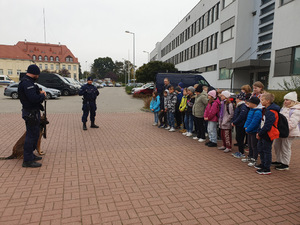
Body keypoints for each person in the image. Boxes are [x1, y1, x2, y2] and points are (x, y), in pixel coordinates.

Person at [18, 64, 46, 168]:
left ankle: (31, 155)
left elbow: (33, 94)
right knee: (30, 136)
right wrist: (42, 95)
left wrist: (39, 92)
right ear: (34, 73)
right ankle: (27, 160)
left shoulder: (30, 82)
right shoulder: (27, 83)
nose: (38, 76)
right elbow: (33, 98)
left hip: (33, 112)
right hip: (30, 113)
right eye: (37, 74)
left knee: (34, 135)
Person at [273, 91, 300, 170]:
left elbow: (293, 123)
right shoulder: (283, 108)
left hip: (289, 132)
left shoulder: (296, 110)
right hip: (280, 131)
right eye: (285, 100)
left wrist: (283, 128)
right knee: (277, 146)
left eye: (287, 100)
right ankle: (279, 160)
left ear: (292, 101)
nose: (285, 101)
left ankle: (285, 164)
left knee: (285, 147)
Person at [255, 92, 280, 175]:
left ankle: (266, 168)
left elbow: (267, 125)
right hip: (263, 132)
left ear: (268, 101)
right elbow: (262, 122)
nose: (261, 101)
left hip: (268, 133)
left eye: (262, 100)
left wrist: (260, 133)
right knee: (261, 149)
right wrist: (259, 132)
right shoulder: (265, 109)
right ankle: (263, 164)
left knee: (266, 150)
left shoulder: (271, 111)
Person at [242, 97, 262, 166]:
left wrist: (248, 129)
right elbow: (248, 120)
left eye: (249, 102)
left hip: (254, 131)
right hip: (249, 130)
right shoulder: (251, 110)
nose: (248, 104)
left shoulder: (258, 112)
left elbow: (255, 122)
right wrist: (245, 127)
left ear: (254, 104)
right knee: (250, 145)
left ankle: (254, 159)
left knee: (254, 146)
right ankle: (250, 156)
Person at [231, 92, 249, 158]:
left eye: (237, 98)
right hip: (239, 124)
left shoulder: (243, 106)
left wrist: (235, 122)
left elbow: (241, 116)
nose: (236, 100)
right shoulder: (239, 106)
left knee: (240, 138)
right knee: (238, 138)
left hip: (241, 125)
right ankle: (240, 151)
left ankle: (242, 153)